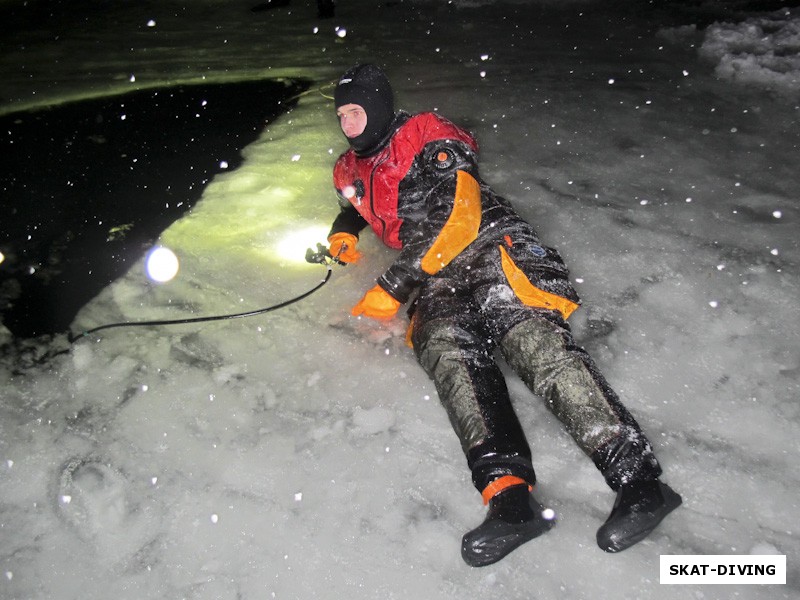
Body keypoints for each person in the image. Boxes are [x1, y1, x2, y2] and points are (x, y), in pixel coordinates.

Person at [326, 63, 681, 567]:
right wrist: (344, 231)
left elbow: (459, 212)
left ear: (381, 106)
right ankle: (510, 502)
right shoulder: (347, 167)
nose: (350, 122)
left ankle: (639, 483)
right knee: (452, 360)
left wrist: (393, 284)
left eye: (358, 110)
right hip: (432, 275)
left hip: (490, 246)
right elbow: (353, 203)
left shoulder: (426, 133)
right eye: (343, 114)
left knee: (533, 343)